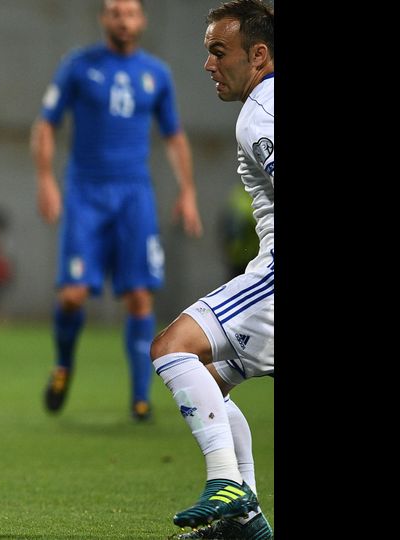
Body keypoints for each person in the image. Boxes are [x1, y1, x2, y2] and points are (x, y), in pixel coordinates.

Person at [31, 0, 203, 420]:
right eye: (114, 12)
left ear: (141, 20)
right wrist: (46, 180)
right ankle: (64, 364)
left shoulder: (156, 73)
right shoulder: (78, 65)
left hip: (134, 194)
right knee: (72, 296)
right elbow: (46, 124)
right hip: (86, 192)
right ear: (103, 19)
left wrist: (187, 191)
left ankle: (140, 397)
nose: (123, 20)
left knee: (140, 296)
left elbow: (174, 136)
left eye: (130, 13)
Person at [149, 1, 273, 538]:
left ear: (259, 55)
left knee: (172, 348)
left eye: (219, 52)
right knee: (210, 386)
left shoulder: (261, 113)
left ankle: (226, 483)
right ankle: (243, 521)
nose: (208, 64)